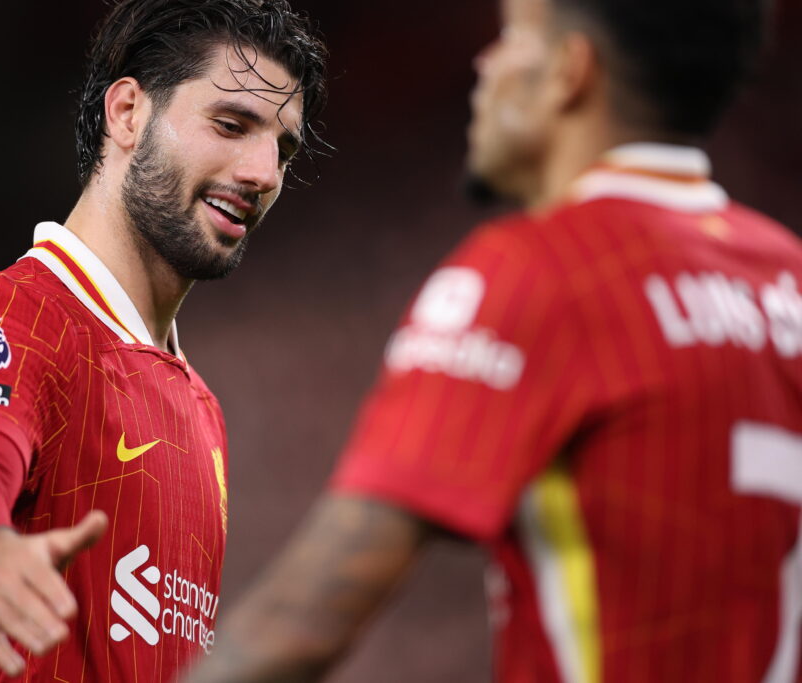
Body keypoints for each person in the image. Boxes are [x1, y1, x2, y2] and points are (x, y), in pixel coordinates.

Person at [183, 0, 802, 681]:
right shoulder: (787, 277)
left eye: (512, 38)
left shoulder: (545, 271)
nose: (486, 65)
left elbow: (297, 627)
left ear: (571, 71)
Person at [0, 1, 327, 680]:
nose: (264, 172)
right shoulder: (19, 313)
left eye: (282, 149)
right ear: (127, 113)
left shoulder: (200, 410)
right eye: (231, 124)